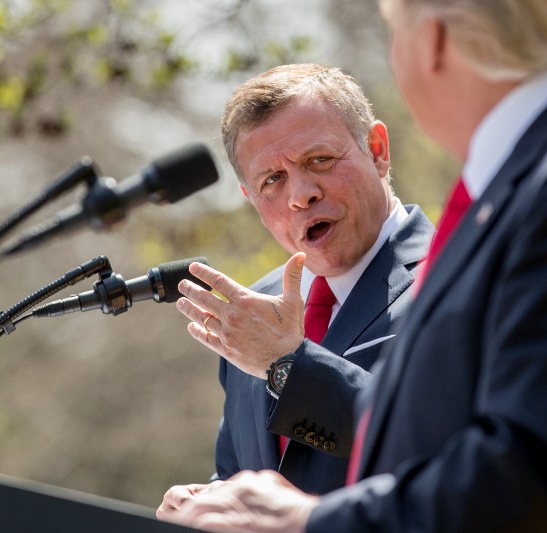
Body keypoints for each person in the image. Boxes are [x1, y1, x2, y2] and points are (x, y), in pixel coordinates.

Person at [157, 1, 547, 531]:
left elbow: (536, 479)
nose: (300, 193)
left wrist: (310, 523)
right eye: (272, 180)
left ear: (433, 39)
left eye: (393, 30)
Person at [163, 64, 435, 497]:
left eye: (319, 160)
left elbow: (445, 442)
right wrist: (207, 503)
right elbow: (244, 475)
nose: (300, 195)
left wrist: (287, 364)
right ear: (251, 199)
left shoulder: (456, 278)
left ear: (377, 149)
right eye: (273, 180)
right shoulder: (253, 314)